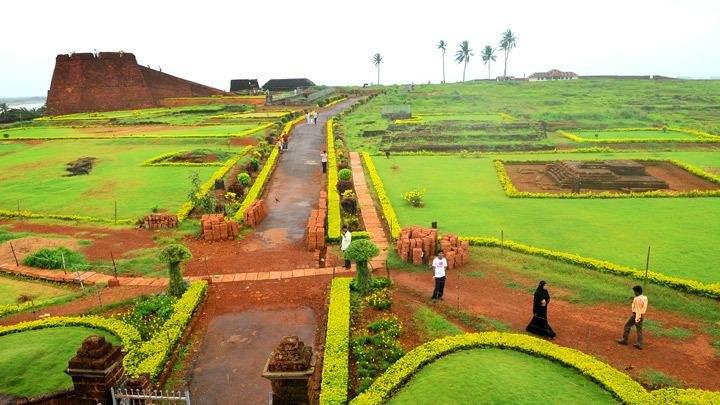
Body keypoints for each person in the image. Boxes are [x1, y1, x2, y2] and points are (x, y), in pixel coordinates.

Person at [618, 285, 648, 349]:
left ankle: (625, 340)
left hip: (636, 315)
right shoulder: (645, 298)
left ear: (637, 292)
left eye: (635, 292)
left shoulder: (637, 299)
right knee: (639, 330)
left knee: (627, 326)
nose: (634, 293)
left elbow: (637, 304)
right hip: (641, 315)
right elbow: (640, 301)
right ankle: (639, 343)